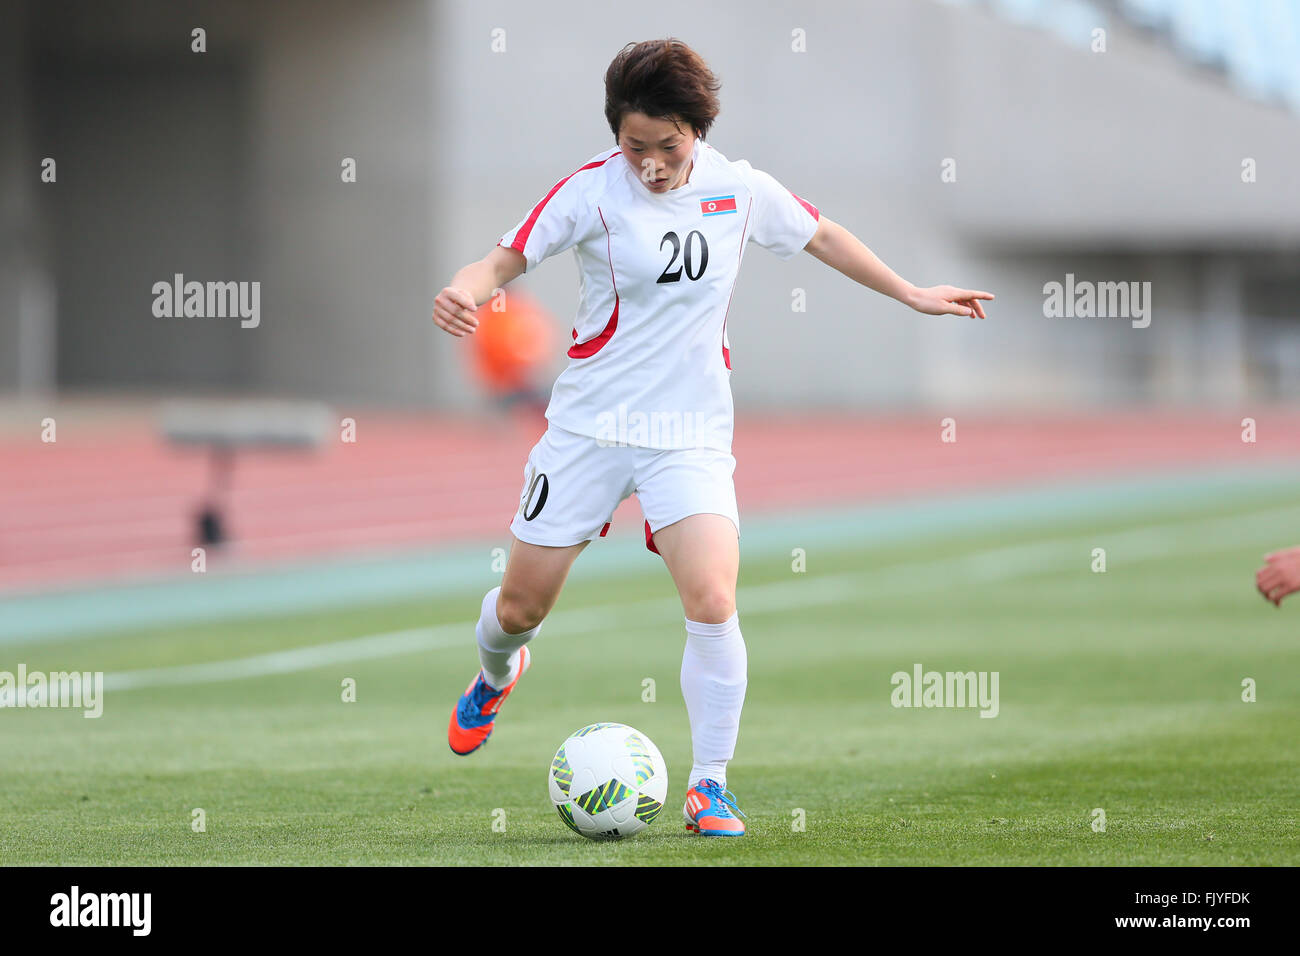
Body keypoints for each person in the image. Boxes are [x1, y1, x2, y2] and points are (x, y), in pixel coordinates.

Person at [432, 38, 993, 837]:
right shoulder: (590, 194)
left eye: (670, 145)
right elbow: (507, 257)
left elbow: (823, 235)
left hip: (689, 433)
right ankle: (496, 674)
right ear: (614, 136)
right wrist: (464, 287)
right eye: (636, 147)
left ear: (698, 130)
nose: (653, 165)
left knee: (714, 598)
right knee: (520, 608)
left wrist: (910, 292)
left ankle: (710, 787)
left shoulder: (740, 188)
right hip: (589, 429)